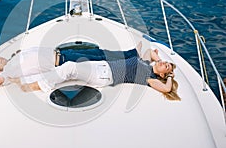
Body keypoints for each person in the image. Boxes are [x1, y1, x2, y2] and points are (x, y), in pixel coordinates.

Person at [10, 48, 181, 101]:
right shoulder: (147, 64)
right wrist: (160, 60)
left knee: (69, 68)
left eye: (165, 65)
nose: (163, 63)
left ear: (165, 74)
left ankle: (35, 86)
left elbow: (166, 89)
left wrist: (170, 75)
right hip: (103, 65)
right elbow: (151, 51)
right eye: (165, 62)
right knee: (68, 70)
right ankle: (29, 77)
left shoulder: (149, 78)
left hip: (105, 76)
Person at [0, 46, 140, 87]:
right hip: (62, 61)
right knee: (101, 59)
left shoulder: (13, 60)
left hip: (63, 53)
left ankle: (131, 53)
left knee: (98, 52)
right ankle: (134, 59)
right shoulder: (9, 72)